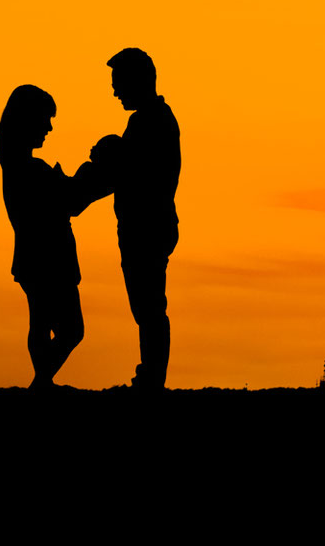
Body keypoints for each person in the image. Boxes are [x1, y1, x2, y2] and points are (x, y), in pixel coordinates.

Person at [0, 84, 111, 390]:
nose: (48, 127)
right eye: (45, 118)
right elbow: (70, 201)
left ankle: (42, 383)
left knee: (42, 323)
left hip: (33, 258)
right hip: (49, 258)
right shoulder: (29, 170)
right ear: (27, 120)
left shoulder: (18, 167)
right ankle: (41, 382)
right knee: (70, 329)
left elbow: (67, 199)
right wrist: (98, 173)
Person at [98, 47, 181, 391]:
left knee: (149, 306)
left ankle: (152, 378)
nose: (115, 91)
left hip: (148, 226)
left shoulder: (153, 121)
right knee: (146, 305)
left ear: (139, 80)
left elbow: (138, 174)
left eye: (119, 82)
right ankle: (150, 374)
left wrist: (110, 158)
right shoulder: (147, 120)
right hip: (143, 226)